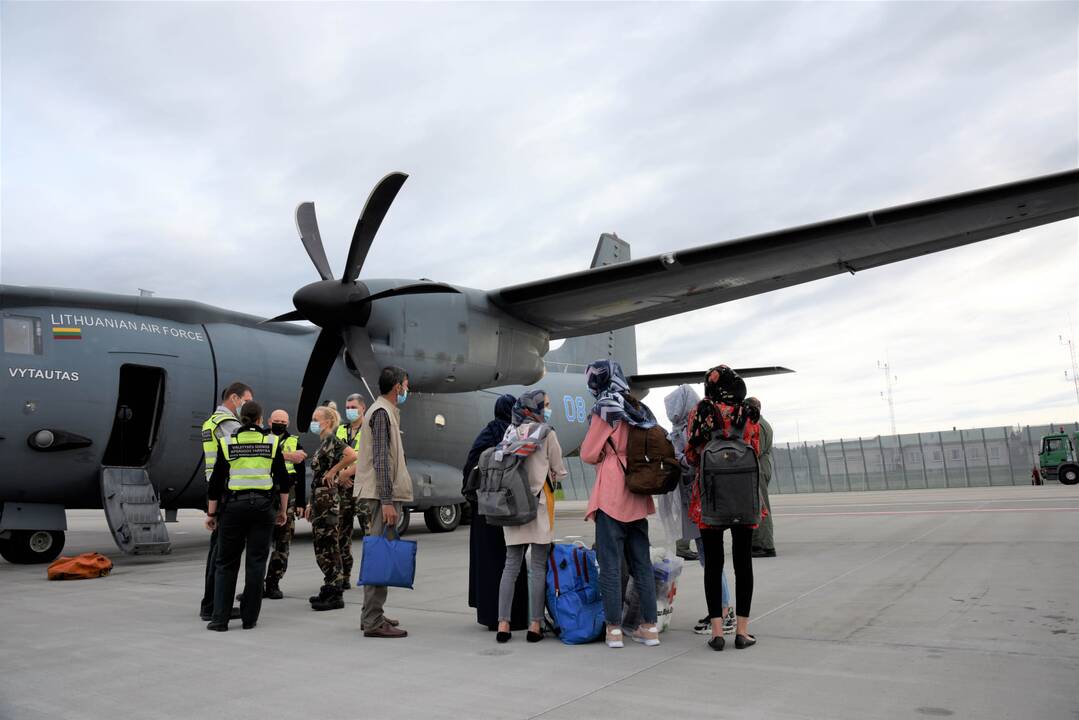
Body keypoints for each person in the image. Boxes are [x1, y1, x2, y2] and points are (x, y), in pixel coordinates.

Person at [580, 359, 661, 649]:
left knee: (611, 564)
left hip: (613, 487)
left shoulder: (605, 408)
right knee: (641, 563)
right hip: (638, 485)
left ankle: (613, 629)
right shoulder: (636, 406)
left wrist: (604, 455)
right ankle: (649, 627)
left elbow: (588, 452)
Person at [685, 365, 762, 651]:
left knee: (713, 565)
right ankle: (742, 631)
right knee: (744, 563)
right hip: (743, 495)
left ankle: (717, 632)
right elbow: (754, 445)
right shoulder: (749, 413)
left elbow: (692, 454)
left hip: (708, 497)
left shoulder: (699, 412)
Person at [204, 401, 291, 631]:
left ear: (241, 418)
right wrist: (282, 510)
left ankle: (220, 619)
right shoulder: (272, 443)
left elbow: (215, 483)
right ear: (261, 419)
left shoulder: (227, 442)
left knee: (226, 563)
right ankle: (249, 619)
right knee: (256, 563)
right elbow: (283, 481)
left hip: (233, 507)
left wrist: (212, 513)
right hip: (263, 509)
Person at [662, 385, 735, 637]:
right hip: (696, 503)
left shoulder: (694, 430)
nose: (672, 414)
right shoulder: (685, 429)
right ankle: (721, 609)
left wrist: (676, 459)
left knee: (710, 560)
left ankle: (724, 611)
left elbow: (694, 460)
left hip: (700, 503)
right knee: (708, 559)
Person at [494, 390, 567, 643]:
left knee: (510, 567)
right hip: (538, 506)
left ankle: (503, 623)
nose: (547, 409)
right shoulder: (547, 433)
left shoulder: (509, 432)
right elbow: (558, 469)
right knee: (537, 568)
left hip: (512, 506)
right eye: (545, 405)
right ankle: (535, 625)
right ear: (535, 408)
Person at [355, 366, 413, 638]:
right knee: (380, 556)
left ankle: (372, 613)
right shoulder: (381, 413)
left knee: (381, 554)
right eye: (405, 384)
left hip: (382, 496)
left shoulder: (386, 412)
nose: (406, 389)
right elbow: (380, 459)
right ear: (397, 387)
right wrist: (388, 500)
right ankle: (373, 621)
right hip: (381, 498)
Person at [464, 393, 530, 632]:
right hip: (509, 509)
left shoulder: (486, 434)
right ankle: (517, 614)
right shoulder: (514, 434)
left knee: (489, 562)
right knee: (512, 561)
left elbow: (468, 472)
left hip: (484, 509)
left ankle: (491, 615)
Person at [199, 381, 252, 622]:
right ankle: (214, 605)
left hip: (214, 489)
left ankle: (210, 603)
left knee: (216, 552)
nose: (248, 406)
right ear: (234, 398)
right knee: (223, 555)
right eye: (246, 401)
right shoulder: (228, 423)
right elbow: (249, 448)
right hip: (225, 491)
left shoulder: (210, 422)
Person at [304, 405, 357, 611]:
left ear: (327, 422)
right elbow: (316, 478)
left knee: (328, 544)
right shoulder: (323, 443)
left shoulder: (332, 440)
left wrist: (334, 472)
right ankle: (330, 585)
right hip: (319, 500)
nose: (314, 422)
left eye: (316, 419)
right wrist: (310, 503)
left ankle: (335, 592)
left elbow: (352, 455)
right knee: (321, 544)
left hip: (327, 500)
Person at [263, 409, 308, 599]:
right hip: (264, 494)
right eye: (276, 420)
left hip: (287, 496)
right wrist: (288, 456)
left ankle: (273, 583)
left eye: (283, 421)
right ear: (269, 421)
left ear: (287, 424)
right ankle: (255, 585)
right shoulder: (261, 438)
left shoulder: (294, 442)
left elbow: (301, 473)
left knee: (283, 543)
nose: (279, 423)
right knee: (260, 543)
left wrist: (301, 502)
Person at [335, 393, 372, 590]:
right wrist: (341, 474)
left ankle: (372, 576)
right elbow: (334, 455)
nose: (349, 410)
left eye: (353, 407)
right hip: (344, 487)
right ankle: (343, 576)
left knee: (370, 533)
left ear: (363, 408)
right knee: (342, 533)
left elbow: (369, 456)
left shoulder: (371, 428)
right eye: (347, 406)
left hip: (364, 486)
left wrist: (347, 472)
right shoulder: (340, 430)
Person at [748, 397, 776, 558]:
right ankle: (758, 542)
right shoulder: (761, 423)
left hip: (759, 467)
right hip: (761, 466)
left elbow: (756, 450)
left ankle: (766, 545)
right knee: (758, 507)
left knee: (762, 507)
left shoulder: (758, 425)